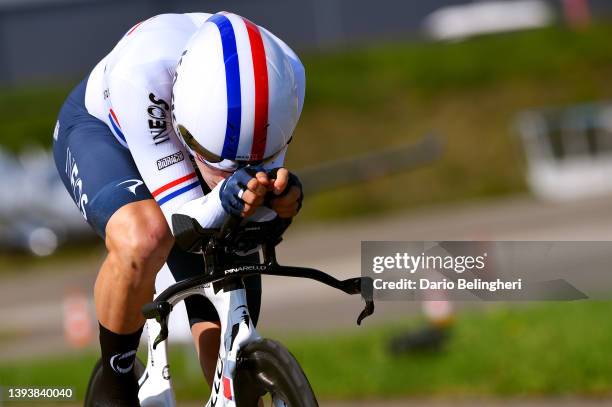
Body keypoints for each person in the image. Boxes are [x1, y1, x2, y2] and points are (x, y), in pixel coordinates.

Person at [52, 11, 305, 406]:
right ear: (184, 123)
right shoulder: (141, 74)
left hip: (200, 136)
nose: (227, 175)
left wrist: (279, 204)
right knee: (146, 237)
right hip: (105, 132)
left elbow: (258, 202)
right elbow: (184, 222)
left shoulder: (286, 76)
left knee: (228, 276)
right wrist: (226, 198)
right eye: (215, 161)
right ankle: (115, 382)